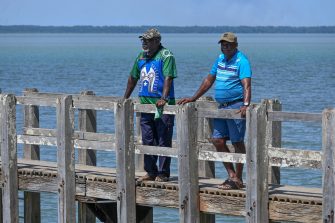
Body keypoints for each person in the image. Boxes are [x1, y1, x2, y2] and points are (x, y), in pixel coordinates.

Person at [178, 32, 251, 190]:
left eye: (228, 44)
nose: (225, 47)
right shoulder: (220, 59)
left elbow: (247, 84)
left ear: (235, 45)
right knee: (217, 140)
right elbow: (209, 80)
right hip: (221, 107)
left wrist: (245, 104)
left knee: (237, 142)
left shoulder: (242, 60)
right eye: (223, 44)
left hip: (235, 106)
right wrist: (193, 98)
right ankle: (232, 175)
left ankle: (238, 177)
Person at [123, 28, 177, 182]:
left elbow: (168, 77)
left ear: (157, 41)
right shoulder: (141, 57)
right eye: (143, 40)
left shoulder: (166, 55)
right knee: (147, 139)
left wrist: (164, 98)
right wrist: (125, 98)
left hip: (162, 106)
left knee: (163, 139)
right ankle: (150, 171)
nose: (144, 43)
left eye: (148, 40)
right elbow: (133, 77)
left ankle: (163, 173)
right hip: (145, 105)